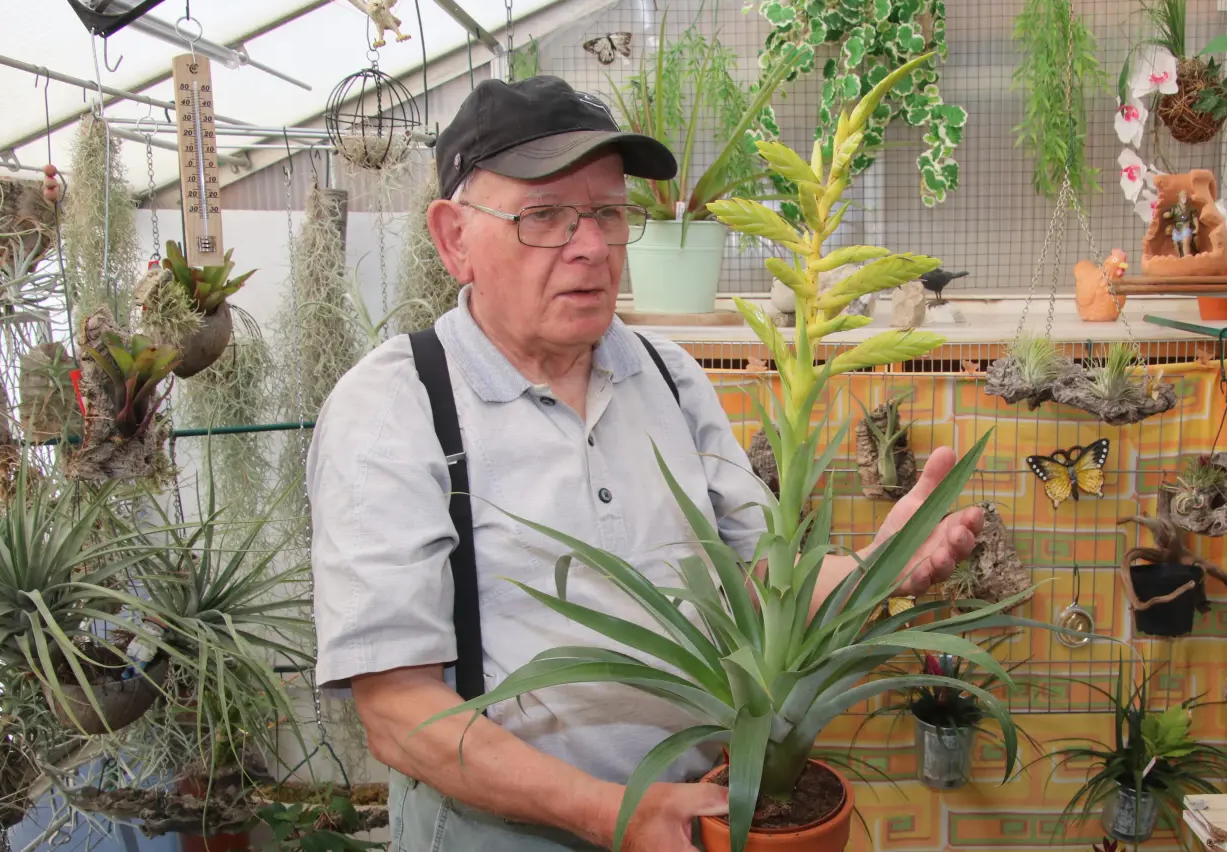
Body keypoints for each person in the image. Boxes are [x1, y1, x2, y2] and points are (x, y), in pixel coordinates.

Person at [307, 75, 986, 852]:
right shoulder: (396, 406)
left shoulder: (668, 373)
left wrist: (880, 565)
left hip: (688, 817)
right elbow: (398, 709)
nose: (591, 245)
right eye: (545, 217)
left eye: (606, 212)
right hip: (497, 834)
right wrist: (610, 813)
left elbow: (756, 585)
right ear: (454, 238)